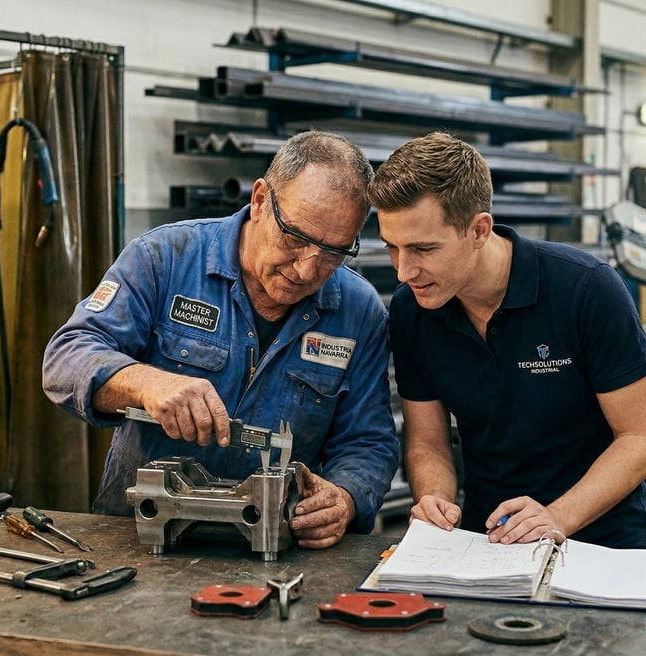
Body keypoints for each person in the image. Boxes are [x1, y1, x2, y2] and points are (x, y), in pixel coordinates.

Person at [43, 130, 399, 549]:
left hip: (276, 545)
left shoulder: (358, 312)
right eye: (295, 238)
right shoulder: (164, 258)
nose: (307, 269)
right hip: (142, 538)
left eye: (333, 252)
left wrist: (346, 496)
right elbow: (66, 358)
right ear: (261, 200)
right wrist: (147, 384)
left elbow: (368, 442)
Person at [367, 130, 646, 549]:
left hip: (605, 542)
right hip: (492, 541)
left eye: (423, 249)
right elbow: (428, 443)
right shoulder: (413, 310)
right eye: (393, 247)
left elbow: (638, 438)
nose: (404, 271)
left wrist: (556, 517)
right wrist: (435, 499)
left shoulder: (587, 290)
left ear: (479, 230)